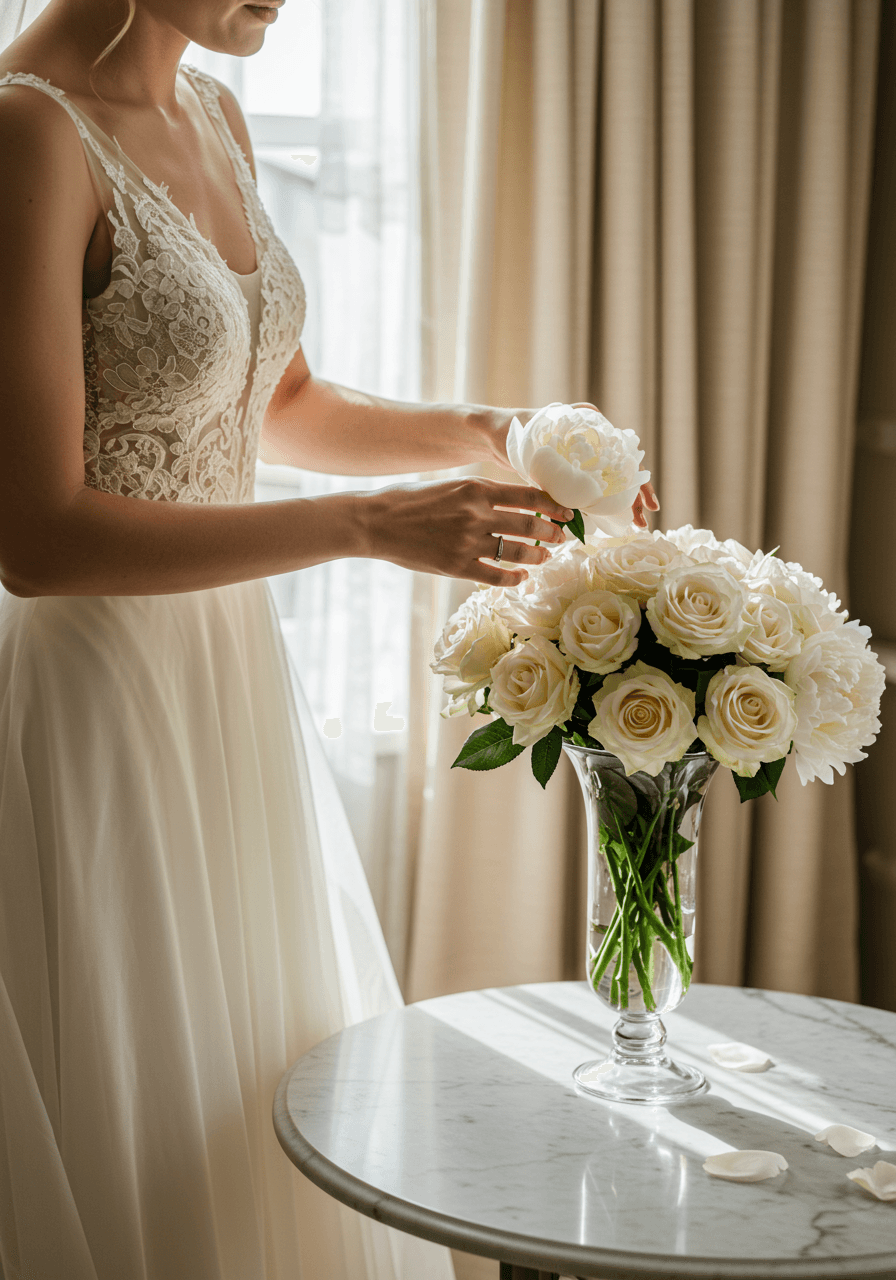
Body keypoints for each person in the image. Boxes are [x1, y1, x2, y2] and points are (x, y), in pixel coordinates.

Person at [0, 1, 659, 1276]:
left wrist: (491, 426)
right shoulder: (26, 136)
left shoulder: (209, 110)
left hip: (225, 679)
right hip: (90, 693)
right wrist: (367, 525)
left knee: (234, 1074)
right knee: (125, 1070)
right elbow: (36, 537)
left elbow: (273, 399)